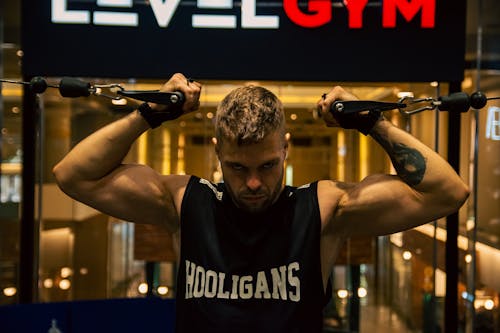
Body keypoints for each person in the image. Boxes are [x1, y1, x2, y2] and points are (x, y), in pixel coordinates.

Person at [53, 73, 469, 332]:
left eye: (268, 165)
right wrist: (148, 114)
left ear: (285, 149)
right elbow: (72, 175)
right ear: (217, 153)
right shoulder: (183, 202)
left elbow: (446, 192)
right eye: (237, 167)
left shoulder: (323, 209)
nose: (253, 182)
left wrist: (371, 120)